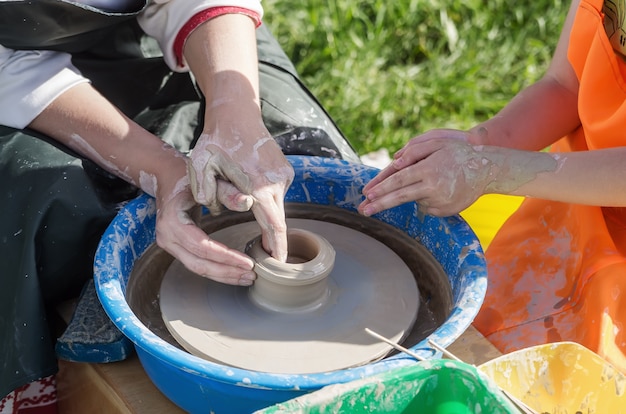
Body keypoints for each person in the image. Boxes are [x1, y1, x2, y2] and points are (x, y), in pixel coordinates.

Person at [0, 0, 359, 412]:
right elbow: (10, 74)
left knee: (297, 142)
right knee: (62, 203)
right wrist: (164, 172)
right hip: (15, 85)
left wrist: (235, 112)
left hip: (145, 34)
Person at [359, 0, 626, 373]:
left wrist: (493, 170)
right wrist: (479, 144)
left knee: (567, 381)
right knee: (473, 329)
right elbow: (565, 84)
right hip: (571, 196)